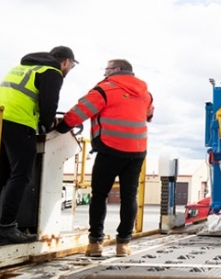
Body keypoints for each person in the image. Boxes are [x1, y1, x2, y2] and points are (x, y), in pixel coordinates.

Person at [55, 59, 153, 257]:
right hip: (137, 151)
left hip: (110, 148)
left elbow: (79, 112)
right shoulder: (145, 93)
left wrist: (60, 127)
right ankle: (123, 245)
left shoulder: (105, 89)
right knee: (129, 197)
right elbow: (149, 115)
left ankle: (95, 244)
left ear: (117, 70)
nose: (104, 74)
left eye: (106, 69)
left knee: (99, 195)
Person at [0, 46, 78, 245]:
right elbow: (49, 105)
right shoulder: (52, 72)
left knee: (3, 176)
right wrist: (49, 123)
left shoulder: (23, 68)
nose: (69, 70)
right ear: (65, 61)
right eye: (71, 66)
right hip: (18, 123)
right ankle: (5, 228)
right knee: (21, 174)